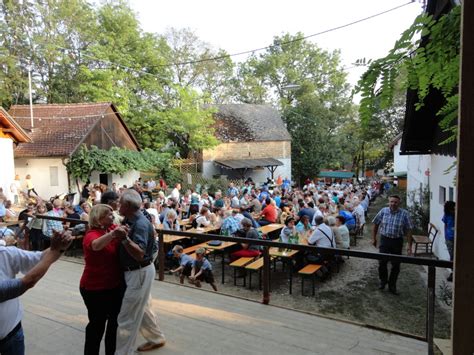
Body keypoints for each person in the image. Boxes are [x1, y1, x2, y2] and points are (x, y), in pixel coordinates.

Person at [0, 231, 72, 354]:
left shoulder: (4, 253)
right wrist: (55, 251)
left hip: (13, 332)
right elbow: (25, 283)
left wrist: (59, 246)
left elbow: (38, 259)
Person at [116, 189, 165, 354]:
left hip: (139, 272)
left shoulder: (141, 224)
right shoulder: (130, 219)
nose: (117, 205)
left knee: (126, 317)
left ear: (128, 206)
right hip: (138, 273)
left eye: (120, 203)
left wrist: (124, 239)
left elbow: (139, 254)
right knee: (143, 308)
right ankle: (156, 338)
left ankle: (123, 352)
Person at [80, 204, 129, 355]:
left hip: (113, 286)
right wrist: (114, 234)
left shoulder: (109, 228)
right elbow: (95, 245)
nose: (112, 216)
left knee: (114, 324)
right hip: (94, 289)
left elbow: (122, 228)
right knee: (97, 325)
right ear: (99, 218)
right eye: (108, 214)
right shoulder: (92, 234)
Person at [372, 195, 413, 295]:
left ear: (399, 203)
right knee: (382, 262)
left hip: (397, 241)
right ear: (388, 202)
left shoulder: (404, 214)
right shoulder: (383, 211)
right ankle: (383, 281)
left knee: (396, 265)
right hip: (385, 240)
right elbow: (375, 223)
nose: (393, 204)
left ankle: (392, 285)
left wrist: (409, 245)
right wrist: (374, 238)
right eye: (391, 202)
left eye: (395, 202)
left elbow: (409, 229)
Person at [442, 201, 455, 282]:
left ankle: (454, 273)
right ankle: (453, 273)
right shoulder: (447, 215)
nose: (453, 210)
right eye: (452, 209)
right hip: (449, 238)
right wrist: (445, 236)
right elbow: (445, 225)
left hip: (457, 238)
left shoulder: (458, 214)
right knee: (452, 256)